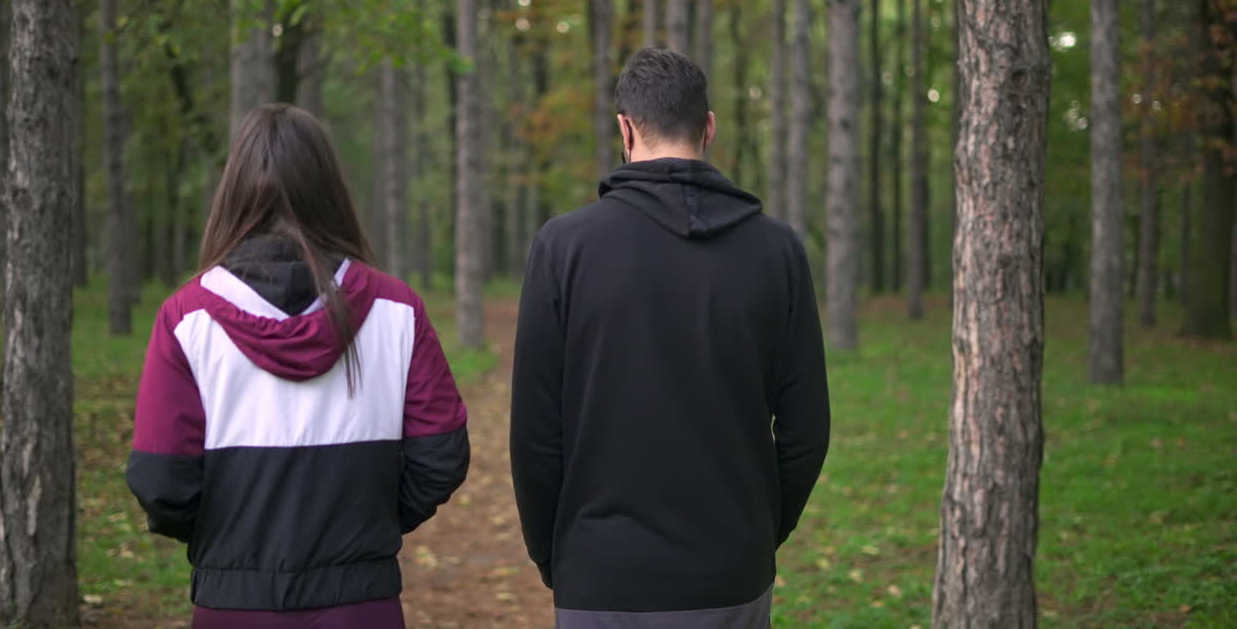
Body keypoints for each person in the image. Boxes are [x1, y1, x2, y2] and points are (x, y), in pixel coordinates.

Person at [510, 47, 831, 628]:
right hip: (732, 570)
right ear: (708, 128)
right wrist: (756, 533)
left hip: (600, 576)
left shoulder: (564, 248)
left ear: (625, 129)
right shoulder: (778, 251)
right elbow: (807, 430)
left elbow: (535, 435)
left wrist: (554, 554)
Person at [126, 104, 469, 629]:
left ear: (234, 193)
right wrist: (371, 528)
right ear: (330, 190)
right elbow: (441, 455)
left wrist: (228, 543)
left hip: (232, 604)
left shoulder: (185, 318)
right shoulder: (397, 310)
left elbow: (161, 478)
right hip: (362, 603)